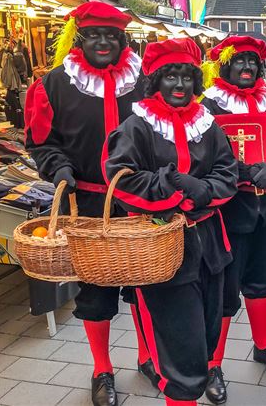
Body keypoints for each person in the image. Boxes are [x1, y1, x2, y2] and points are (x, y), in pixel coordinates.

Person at [24, 1, 153, 406]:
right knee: (95, 293)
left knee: (144, 284)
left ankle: (148, 357)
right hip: (89, 208)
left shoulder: (145, 81)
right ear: (79, 39)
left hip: (140, 202)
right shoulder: (56, 84)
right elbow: (42, 143)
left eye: (111, 36)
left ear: (122, 41)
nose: (102, 42)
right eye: (94, 35)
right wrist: (58, 168)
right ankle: (102, 369)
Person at [103, 37, 238, 405]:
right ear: (156, 80)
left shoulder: (208, 124)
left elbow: (228, 173)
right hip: (160, 248)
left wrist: (202, 189)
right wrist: (171, 189)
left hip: (209, 242)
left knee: (207, 333)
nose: (180, 85)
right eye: (170, 76)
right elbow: (121, 177)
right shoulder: (137, 126)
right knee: (177, 349)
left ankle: (203, 378)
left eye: (187, 77)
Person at [201, 35, 266, 404]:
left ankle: (263, 346)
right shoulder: (207, 105)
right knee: (225, 290)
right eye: (239, 61)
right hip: (230, 213)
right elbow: (201, 159)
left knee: (264, 280)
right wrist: (239, 173)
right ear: (224, 65)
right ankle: (213, 363)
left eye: (253, 62)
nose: (247, 67)